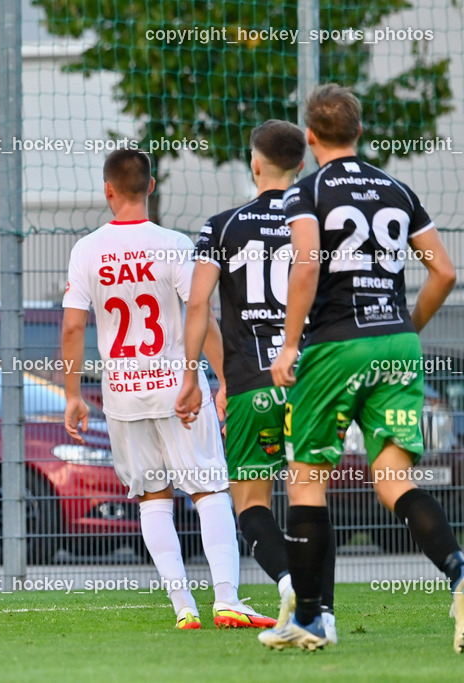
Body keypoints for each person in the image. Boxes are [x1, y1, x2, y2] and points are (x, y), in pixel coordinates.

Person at [260, 84, 463, 652]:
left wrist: (288, 345)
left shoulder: (308, 191)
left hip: (335, 343)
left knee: (307, 478)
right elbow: (443, 272)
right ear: (359, 132)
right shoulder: (398, 189)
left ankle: (311, 618)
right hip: (396, 342)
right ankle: (459, 570)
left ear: (310, 137)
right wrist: (405, 328)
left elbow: (305, 266)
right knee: (394, 479)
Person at [62, 148, 274, 630]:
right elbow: (203, 316)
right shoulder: (176, 244)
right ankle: (226, 599)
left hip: (122, 394)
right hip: (181, 389)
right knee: (210, 488)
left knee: (152, 498)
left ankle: (183, 608)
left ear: (107, 191)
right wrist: (222, 380)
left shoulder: (86, 250)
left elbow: (73, 328)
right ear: (151, 187)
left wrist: (74, 393)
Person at [176, 120, 336, 638]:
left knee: (250, 502)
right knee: (311, 497)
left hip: (250, 380)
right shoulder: (316, 221)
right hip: (310, 375)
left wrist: (192, 376)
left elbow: (197, 302)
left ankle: (290, 583)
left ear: (254, 163)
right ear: (302, 165)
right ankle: (323, 613)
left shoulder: (222, 225)